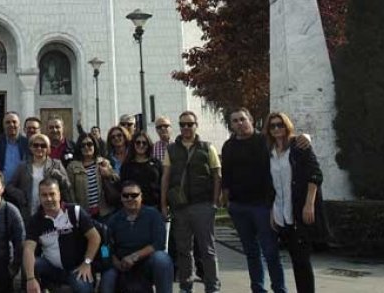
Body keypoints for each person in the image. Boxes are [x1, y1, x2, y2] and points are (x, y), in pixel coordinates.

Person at [221, 108, 286, 293]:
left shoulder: (264, 141)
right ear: (231, 125)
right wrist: (227, 201)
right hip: (239, 207)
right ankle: (258, 289)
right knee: (251, 253)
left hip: (263, 206)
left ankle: (279, 289)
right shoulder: (228, 146)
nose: (239, 123)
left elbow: (287, 143)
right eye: (235, 121)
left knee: (270, 252)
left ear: (250, 120)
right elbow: (226, 175)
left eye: (242, 119)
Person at [161, 110, 221, 293]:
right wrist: (164, 204)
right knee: (183, 250)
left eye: (190, 124)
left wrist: (214, 203)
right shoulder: (171, 149)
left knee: (207, 250)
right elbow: (166, 177)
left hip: (202, 205)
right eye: (183, 124)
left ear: (196, 125)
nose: (186, 127)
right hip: (180, 208)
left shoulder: (207, 147)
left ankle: (213, 287)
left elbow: (217, 174)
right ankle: (186, 287)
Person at [267, 112, 326, 293]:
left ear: (287, 126)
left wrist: (309, 204)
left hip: (298, 211)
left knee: (301, 261)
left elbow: (316, 174)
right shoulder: (268, 152)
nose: (277, 129)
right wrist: (271, 212)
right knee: (290, 258)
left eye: (280, 125)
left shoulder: (299, 147)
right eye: (273, 126)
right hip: (280, 213)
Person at [23, 178, 100, 293]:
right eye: (44, 195)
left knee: (83, 289)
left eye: (52, 194)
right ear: (39, 197)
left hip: (77, 268)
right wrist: (30, 279)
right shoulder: (35, 220)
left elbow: (95, 237)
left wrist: (87, 263)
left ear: (59, 194)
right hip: (52, 268)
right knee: (31, 264)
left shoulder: (75, 211)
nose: (48, 199)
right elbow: (28, 249)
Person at [101, 181, 174, 293]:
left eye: (134, 195)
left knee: (162, 259)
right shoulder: (113, 220)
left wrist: (135, 256)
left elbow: (159, 243)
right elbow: (104, 247)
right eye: (125, 195)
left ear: (141, 197)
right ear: (121, 198)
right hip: (121, 264)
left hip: (147, 262)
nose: (130, 198)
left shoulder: (153, 215)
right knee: (107, 273)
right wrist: (113, 261)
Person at [7, 133, 72, 220]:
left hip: (51, 209)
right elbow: (9, 186)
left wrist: (59, 176)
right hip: (28, 210)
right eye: (36, 145)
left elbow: (68, 186)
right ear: (31, 148)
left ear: (48, 148)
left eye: (43, 146)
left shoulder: (56, 164)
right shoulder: (22, 166)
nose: (39, 148)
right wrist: (20, 195)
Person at [66, 133, 119, 220]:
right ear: (79, 147)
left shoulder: (103, 162)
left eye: (90, 144)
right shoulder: (72, 166)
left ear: (95, 145)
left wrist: (108, 174)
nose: (86, 147)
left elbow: (117, 179)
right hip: (84, 214)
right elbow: (70, 191)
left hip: (105, 212)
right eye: (83, 145)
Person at [120, 130, 163, 212]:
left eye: (144, 143)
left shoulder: (156, 163)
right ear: (133, 144)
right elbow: (123, 187)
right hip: (133, 208)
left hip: (154, 207)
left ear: (148, 145)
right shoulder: (127, 165)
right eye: (138, 142)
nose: (141, 145)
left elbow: (162, 185)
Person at [0, 112, 30, 184]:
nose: (11, 125)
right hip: (1, 189)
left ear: (19, 125)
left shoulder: (28, 144)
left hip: (22, 189)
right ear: (3, 125)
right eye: (8, 122)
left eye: (14, 122)